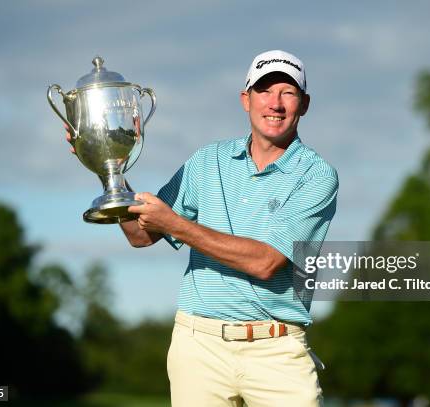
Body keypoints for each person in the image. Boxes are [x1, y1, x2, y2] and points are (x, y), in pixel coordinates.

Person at [70, 50, 338, 406]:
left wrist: (177, 225)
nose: (275, 103)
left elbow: (266, 262)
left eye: (287, 92)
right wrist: (112, 170)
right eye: (264, 90)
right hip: (199, 347)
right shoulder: (207, 160)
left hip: (277, 350)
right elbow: (141, 234)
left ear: (304, 104)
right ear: (246, 99)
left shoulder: (317, 175)